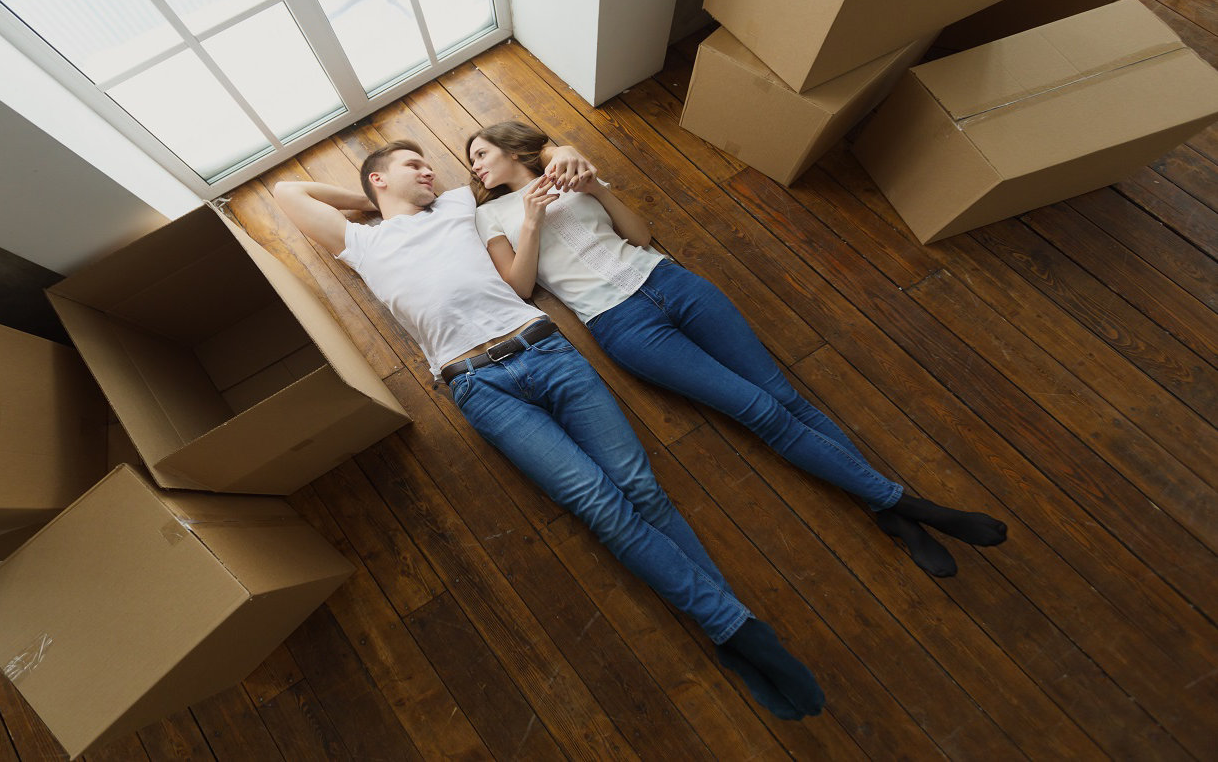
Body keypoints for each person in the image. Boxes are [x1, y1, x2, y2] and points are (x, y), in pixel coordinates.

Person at [274, 140, 825, 721]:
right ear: (378, 180)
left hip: (546, 352)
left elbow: (546, 152)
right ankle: (737, 630)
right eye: (412, 165)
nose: (429, 169)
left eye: (428, 162)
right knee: (600, 506)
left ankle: (732, 632)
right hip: (478, 385)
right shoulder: (360, 241)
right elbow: (289, 192)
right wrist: (366, 200)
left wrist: (561, 147)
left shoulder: (462, 203)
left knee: (640, 490)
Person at [466, 121, 1008, 578]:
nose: (476, 167)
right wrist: (532, 218)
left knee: (786, 399)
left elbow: (640, 235)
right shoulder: (491, 216)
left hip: (672, 282)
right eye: (471, 163)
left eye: (481, 153)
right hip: (621, 323)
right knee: (760, 410)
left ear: (515, 147)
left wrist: (598, 190)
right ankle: (906, 503)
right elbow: (520, 285)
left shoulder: (568, 167)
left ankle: (888, 508)